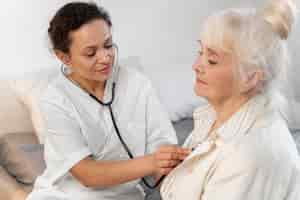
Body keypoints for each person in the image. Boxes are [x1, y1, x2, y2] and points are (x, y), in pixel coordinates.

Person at [26, 2, 190, 200]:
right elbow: (88, 174)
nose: (105, 58)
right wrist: (153, 162)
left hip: (127, 196)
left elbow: (163, 145)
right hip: (66, 195)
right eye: (91, 53)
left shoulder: (137, 84)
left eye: (108, 45)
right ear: (64, 57)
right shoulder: (55, 100)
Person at [160, 0, 300, 199]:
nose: (196, 66)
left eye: (212, 60)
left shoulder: (249, 156)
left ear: (251, 78)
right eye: (200, 52)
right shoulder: (212, 117)